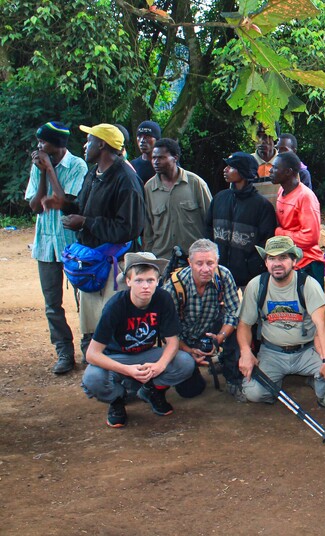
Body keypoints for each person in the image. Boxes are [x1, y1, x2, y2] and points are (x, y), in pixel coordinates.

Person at [81, 252, 196, 427]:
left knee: (185, 362)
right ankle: (117, 399)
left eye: (150, 281)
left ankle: (151, 390)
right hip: (116, 357)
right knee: (92, 378)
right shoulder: (115, 306)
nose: (145, 286)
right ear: (128, 282)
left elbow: (172, 342)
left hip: (147, 354)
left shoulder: (163, 298)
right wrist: (127, 370)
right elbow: (92, 354)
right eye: (139, 280)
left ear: (157, 281)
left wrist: (160, 365)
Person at [62, 123, 146, 358]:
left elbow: (129, 228)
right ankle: (101, 363)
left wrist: (86, 222)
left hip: (114, 266)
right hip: (94, 263)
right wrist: (64, 205)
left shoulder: (126, 180)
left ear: (101, 144)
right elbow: (82, 206)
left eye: (89, 140)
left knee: (115, 324)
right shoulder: (94, 172)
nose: (84, 146)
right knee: (97, 324)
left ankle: (117, 372)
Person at [236, 236, 325, 404]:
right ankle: (274, 381)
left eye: (283, 257)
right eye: (272, 258)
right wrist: (246, 352)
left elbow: (322, 323)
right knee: (254, 393)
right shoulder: (257, 285)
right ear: (266, 262)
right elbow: (244, 324)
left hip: (307, 350)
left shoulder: (307, 284)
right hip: (272, 352)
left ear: (294, 261)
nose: (277, 263)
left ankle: (313, 379)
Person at [25, 122, 88, 374]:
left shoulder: (77, 166)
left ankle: (90, 347)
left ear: (58, 145)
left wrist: (50, 169)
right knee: (52, 304)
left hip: (72, 245)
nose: (39, 147)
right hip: (45, 244)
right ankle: (64, 352)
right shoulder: (37, 166)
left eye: (44, 142)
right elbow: (36, 206)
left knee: (84, 300)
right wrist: (41, 173)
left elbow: (65, 202)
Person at [162, 239, 244, 400]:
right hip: (183, 339)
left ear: (217, 262)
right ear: (190, 263)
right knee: (190, 390)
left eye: (210, 263)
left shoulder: (223, 275)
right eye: (199, 263)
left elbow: (233, 313)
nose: (205, 269)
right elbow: (166, 331)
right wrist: (188, 350)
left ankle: (233, 375)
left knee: (241, 324)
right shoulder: (173, 287)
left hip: (211, 330)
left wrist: (219, 338)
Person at [204, 151, 275, 288]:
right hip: (218, 275)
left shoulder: (262, 206)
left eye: (231, 167)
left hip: (249, 280)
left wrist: (252, 266)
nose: (225, 170)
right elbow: (208, 228)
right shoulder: (219, 198)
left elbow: (266, 241)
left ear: (243, 171)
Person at [142, 138, 212, 260]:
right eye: (154, 158)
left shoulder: (195, 183)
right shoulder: (149, 188)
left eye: (161, 158)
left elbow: (211, 221)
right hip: (162, 258)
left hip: (193, 258)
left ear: (175, 158)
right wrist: (149, 258)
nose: (156, 162)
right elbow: (148, 229)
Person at [271, 151, 325, 286]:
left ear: (288, 172)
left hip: (308, 264)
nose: (270, 171)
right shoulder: (281, 191)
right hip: (292, 263)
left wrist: (279, 233)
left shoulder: (305, 197)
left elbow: (310, 237)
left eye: (275, 168)